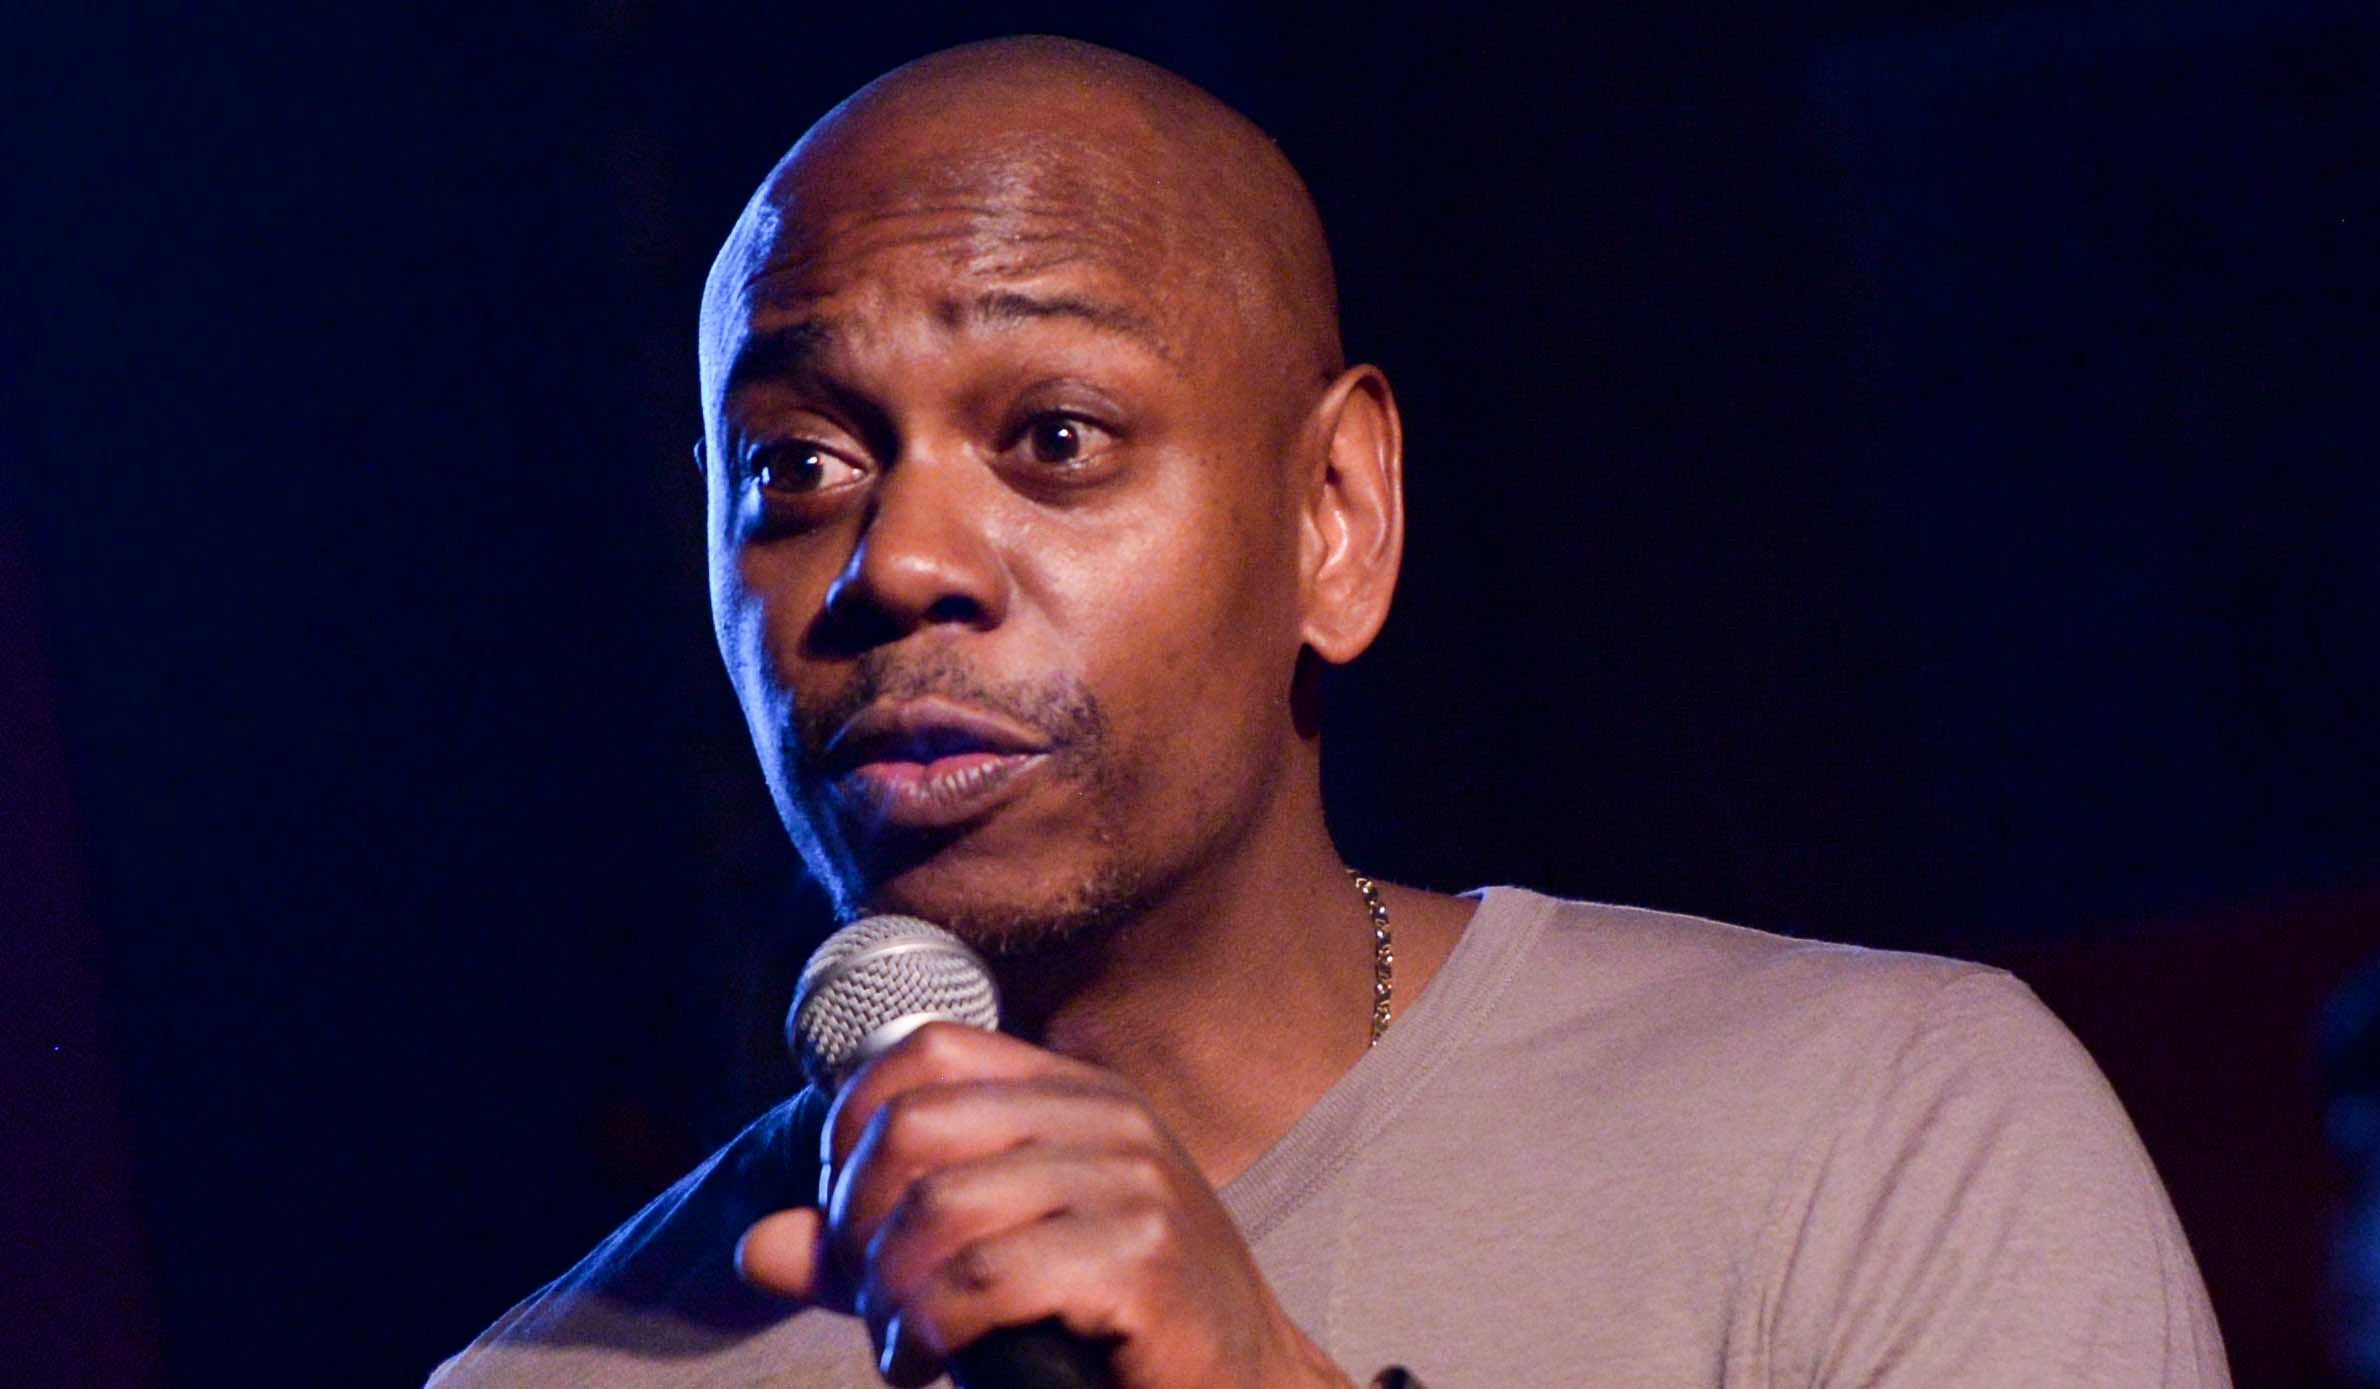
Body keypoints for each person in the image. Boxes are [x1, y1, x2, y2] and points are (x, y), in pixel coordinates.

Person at [433, 36, 2230, 1388]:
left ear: (1333, 518)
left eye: (1053, 437)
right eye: (795, 467)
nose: (896, 561)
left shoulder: (1880, 1130)